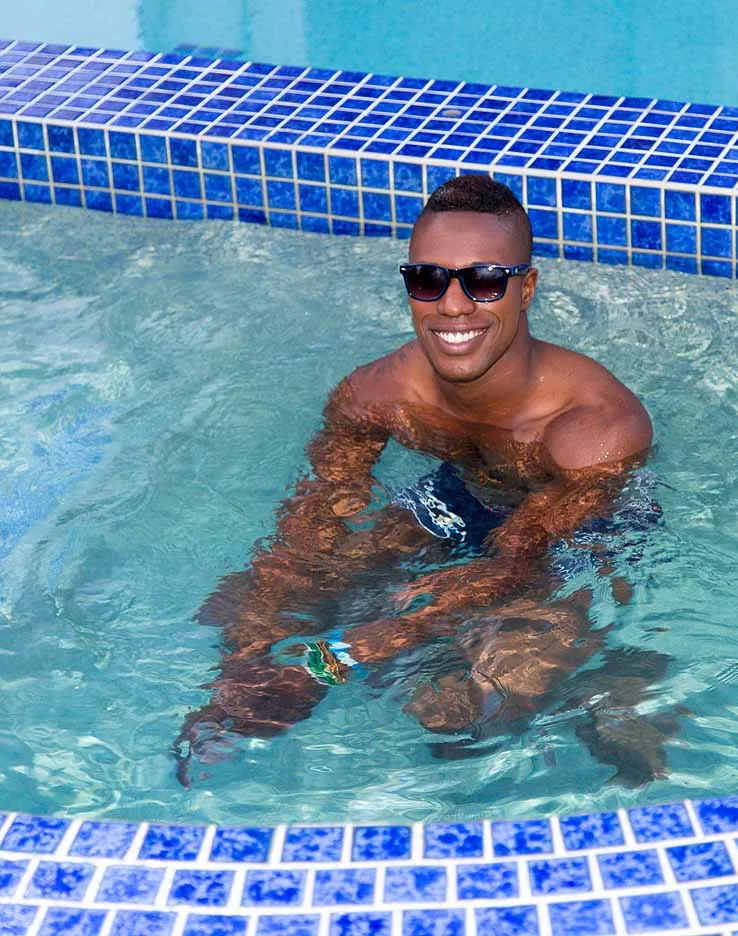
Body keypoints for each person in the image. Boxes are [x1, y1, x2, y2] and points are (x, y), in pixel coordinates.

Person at [174, 175, 677, 787]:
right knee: (249, 598)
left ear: (526, 289)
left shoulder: (594, 428)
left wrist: (328, 663)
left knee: (465, 716)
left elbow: (516, 565)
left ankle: (615, 680)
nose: (454, 305)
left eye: (484, 280)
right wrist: (249, 662)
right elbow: (306, 533)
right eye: (429, 279)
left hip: (582, 539)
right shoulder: (376, 393)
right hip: (459, 498)